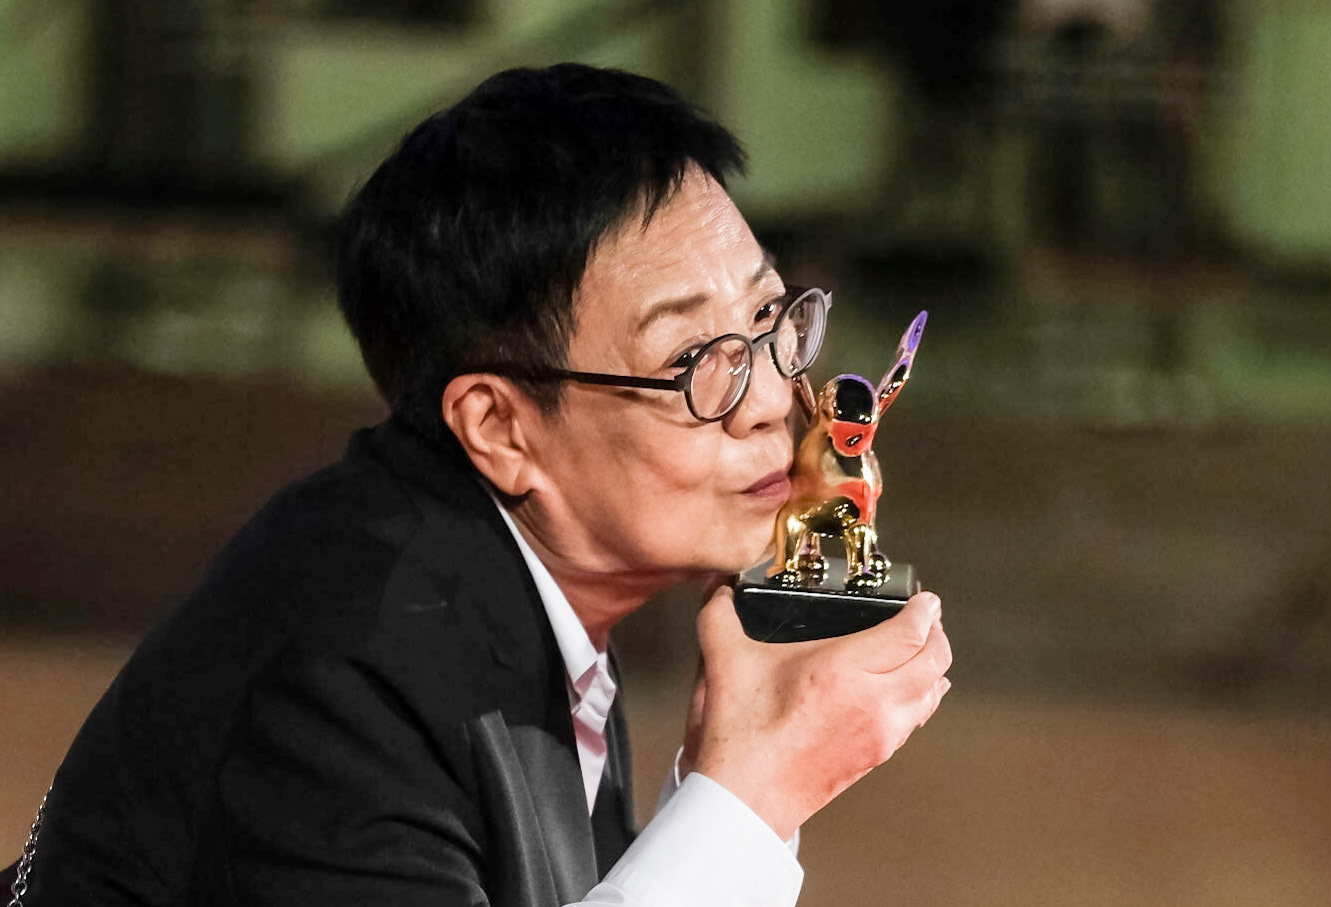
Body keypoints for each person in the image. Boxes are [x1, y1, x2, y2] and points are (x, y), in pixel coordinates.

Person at [22, 63, 951, 906]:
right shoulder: (351, 673)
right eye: (699, 360)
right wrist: (750, 795)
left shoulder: (520, 593)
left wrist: (730, 772)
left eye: (770, 319)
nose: (769, 405)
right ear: (500, 427)